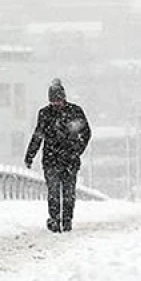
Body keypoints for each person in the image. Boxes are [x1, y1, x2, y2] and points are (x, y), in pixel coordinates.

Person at [24, 78, 92, 233]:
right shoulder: (45, 114)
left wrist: (77, 150)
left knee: (68, 192)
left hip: (68, 159)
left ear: (64, 98)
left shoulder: (75, 112)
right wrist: (30, 155)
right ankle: (55, 219)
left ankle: (66, 220)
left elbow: (86, 133)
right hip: (52, 160)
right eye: (53, 101)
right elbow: (38, 136)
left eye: (58, 100)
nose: (56, 104)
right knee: (54, 192)